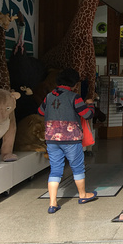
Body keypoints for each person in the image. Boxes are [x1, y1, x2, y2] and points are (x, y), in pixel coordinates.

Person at [38, 67, 97, 214]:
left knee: (55, 169)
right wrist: (90, 104)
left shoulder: (48, 97)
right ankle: (83, 195)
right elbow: (87, 114)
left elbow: (40, 112)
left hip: (52, 139)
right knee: (77, 167)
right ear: (75, 84)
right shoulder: (74, 97)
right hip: (71, 139)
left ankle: (52, 203)